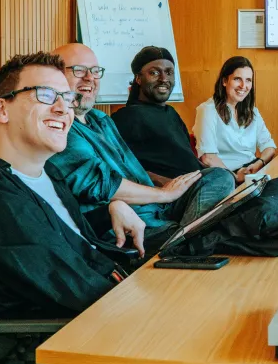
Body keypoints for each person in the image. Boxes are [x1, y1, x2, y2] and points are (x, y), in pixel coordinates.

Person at [0, 52, 163, 364]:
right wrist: (151, 347)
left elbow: (72, 242)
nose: (63, 108)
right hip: (59, 356)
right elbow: (67, 279)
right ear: (1, 110)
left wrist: (111, 206)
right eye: (45, 95)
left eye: (67, 98)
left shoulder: (47, 173)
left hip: (101, 320)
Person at [46, 44, 235, 251]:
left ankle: (185, 237)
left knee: (220, 177)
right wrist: (165, 194)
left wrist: (169, 190)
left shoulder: (101, 119)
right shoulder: (61, 127)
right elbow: (100, 185)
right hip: (127, 222)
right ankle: (184, 243)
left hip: (158, 208)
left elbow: (135, 170)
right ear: (55, 78)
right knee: (235, 231)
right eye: (79, 70)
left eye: (95, 71)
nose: (90, 78)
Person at [112, 46, 204, 184]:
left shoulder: (171, 113)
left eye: (169, 72)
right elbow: (123, 168)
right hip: (168, 197)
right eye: (154, 73)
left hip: (197, 185)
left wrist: (233, 175)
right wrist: (171, 186)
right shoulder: (127, 117)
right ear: (138, 78)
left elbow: (189, 158)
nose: (163, 79)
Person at [193, 56, 277, 184]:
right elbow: (208, 158)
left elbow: (269, 147)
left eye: (248, 80)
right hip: (225, 177)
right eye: (237, 79)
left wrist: (259, 164)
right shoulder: (207, 110)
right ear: (224, 81)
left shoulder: (252, 111)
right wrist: (235, 177)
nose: (244, 86)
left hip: (252, 171)